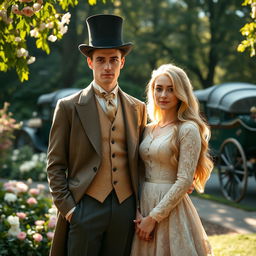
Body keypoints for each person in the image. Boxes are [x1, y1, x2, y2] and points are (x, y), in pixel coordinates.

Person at [46, 14, 147, 256]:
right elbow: (54, 165)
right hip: (85, 206)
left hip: (125, 208)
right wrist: (71, 211)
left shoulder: (138, 108)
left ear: (122, 62)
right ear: (90, 63)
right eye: (101, 60)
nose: (108, 67)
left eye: (114, 59)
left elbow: (144, 160)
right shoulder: (68, 107)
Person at [131, 64, 214, 256]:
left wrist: (153, 218)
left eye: (171, 89)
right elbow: (139, 172)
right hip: (142, 206)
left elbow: (185, 181)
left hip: (171, 209)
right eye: (159, 89)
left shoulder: (188, 129)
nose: (163, 95)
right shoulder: (147, 128)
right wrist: (138, 212)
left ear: (181, 93)